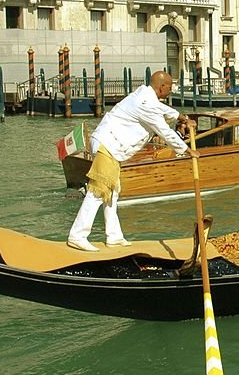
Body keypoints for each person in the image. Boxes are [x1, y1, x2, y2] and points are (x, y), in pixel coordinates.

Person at [67, 70, 195, 251]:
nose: (171, 91)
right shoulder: (146, 104)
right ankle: (77, 235)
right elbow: (164, 131)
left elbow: (163, 109)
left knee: (113, 190)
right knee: (98, 191)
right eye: (170, 87)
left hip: (108, 144)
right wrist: (187, 150)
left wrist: (183, 118)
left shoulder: (144, 95)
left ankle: (114, 236)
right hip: (108, 145)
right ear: (162, 87)